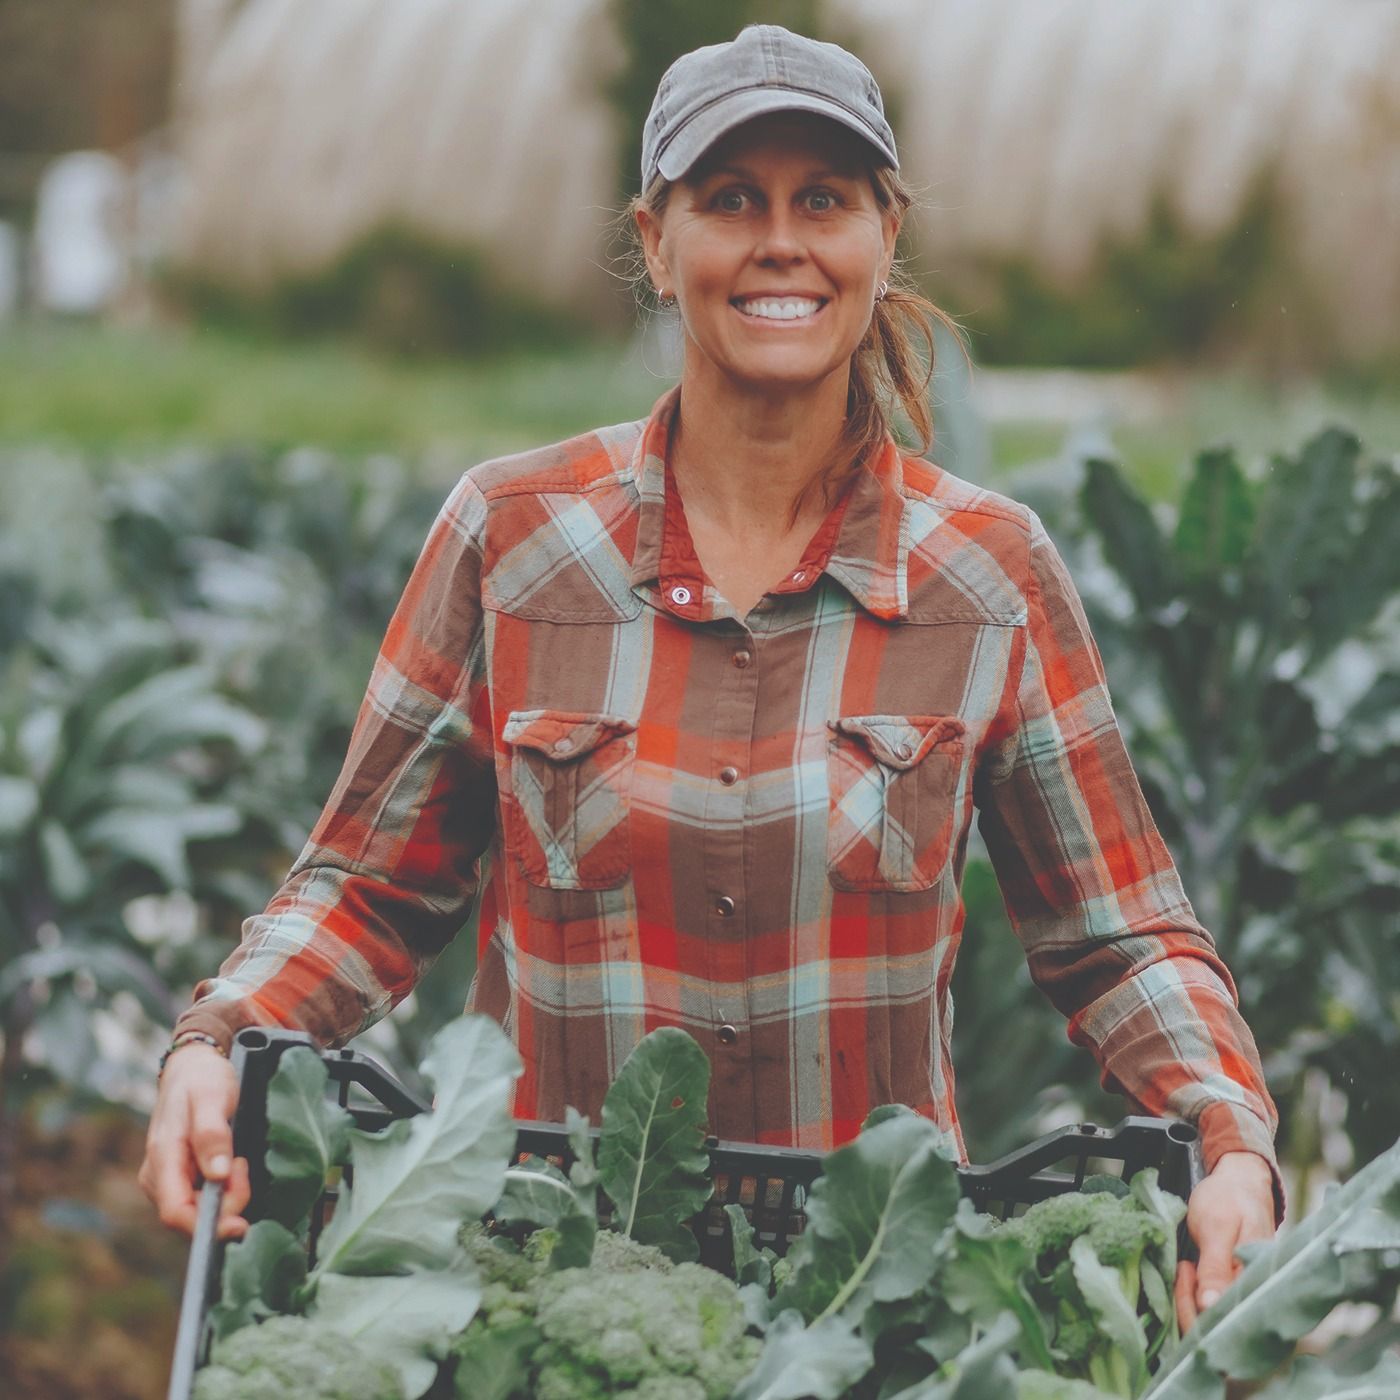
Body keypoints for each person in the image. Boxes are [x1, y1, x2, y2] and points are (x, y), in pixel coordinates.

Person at [140, 24, 1280, 1332]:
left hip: (867, 1309)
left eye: (824, 201)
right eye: (731, 200)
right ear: (657, 240)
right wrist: (218, 1040)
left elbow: (1118, 934)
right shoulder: (513, 542)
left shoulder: (986, 574)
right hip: (547, 1307)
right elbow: (368, 887)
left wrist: (1227, 1133)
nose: (779, 241)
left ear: (883, 236)